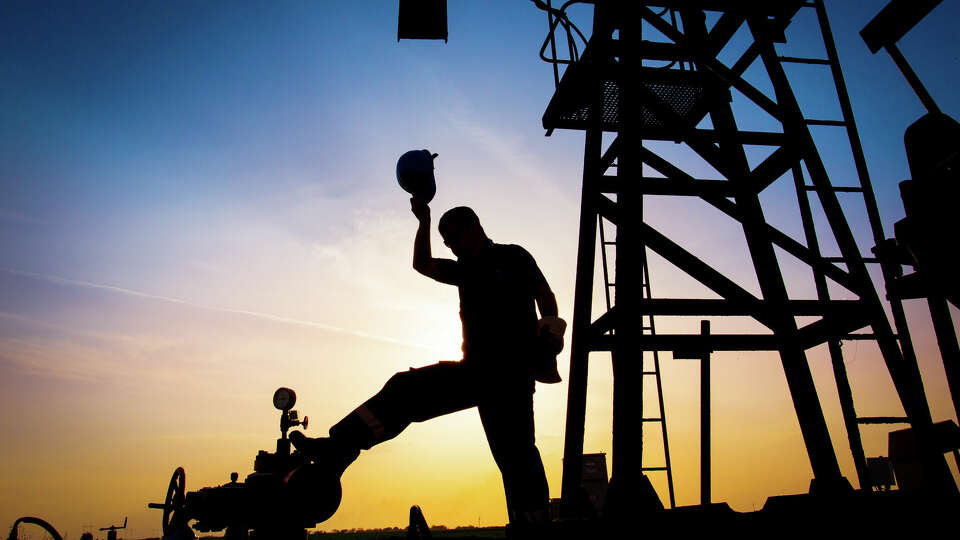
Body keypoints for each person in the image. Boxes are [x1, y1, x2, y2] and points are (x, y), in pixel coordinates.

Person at [291, 197, 565, 527]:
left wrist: (550, 323)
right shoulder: (463, 270)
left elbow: (544, 295)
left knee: (516, 455)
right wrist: (424, 220)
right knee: (405, 388)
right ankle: (336, 452)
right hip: (476, 371)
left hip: (511, 375)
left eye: (454, 239)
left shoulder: (513, 256)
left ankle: (534, 528)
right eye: (447, 242)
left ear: (475, 228)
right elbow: (422, 264)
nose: (451, 248)